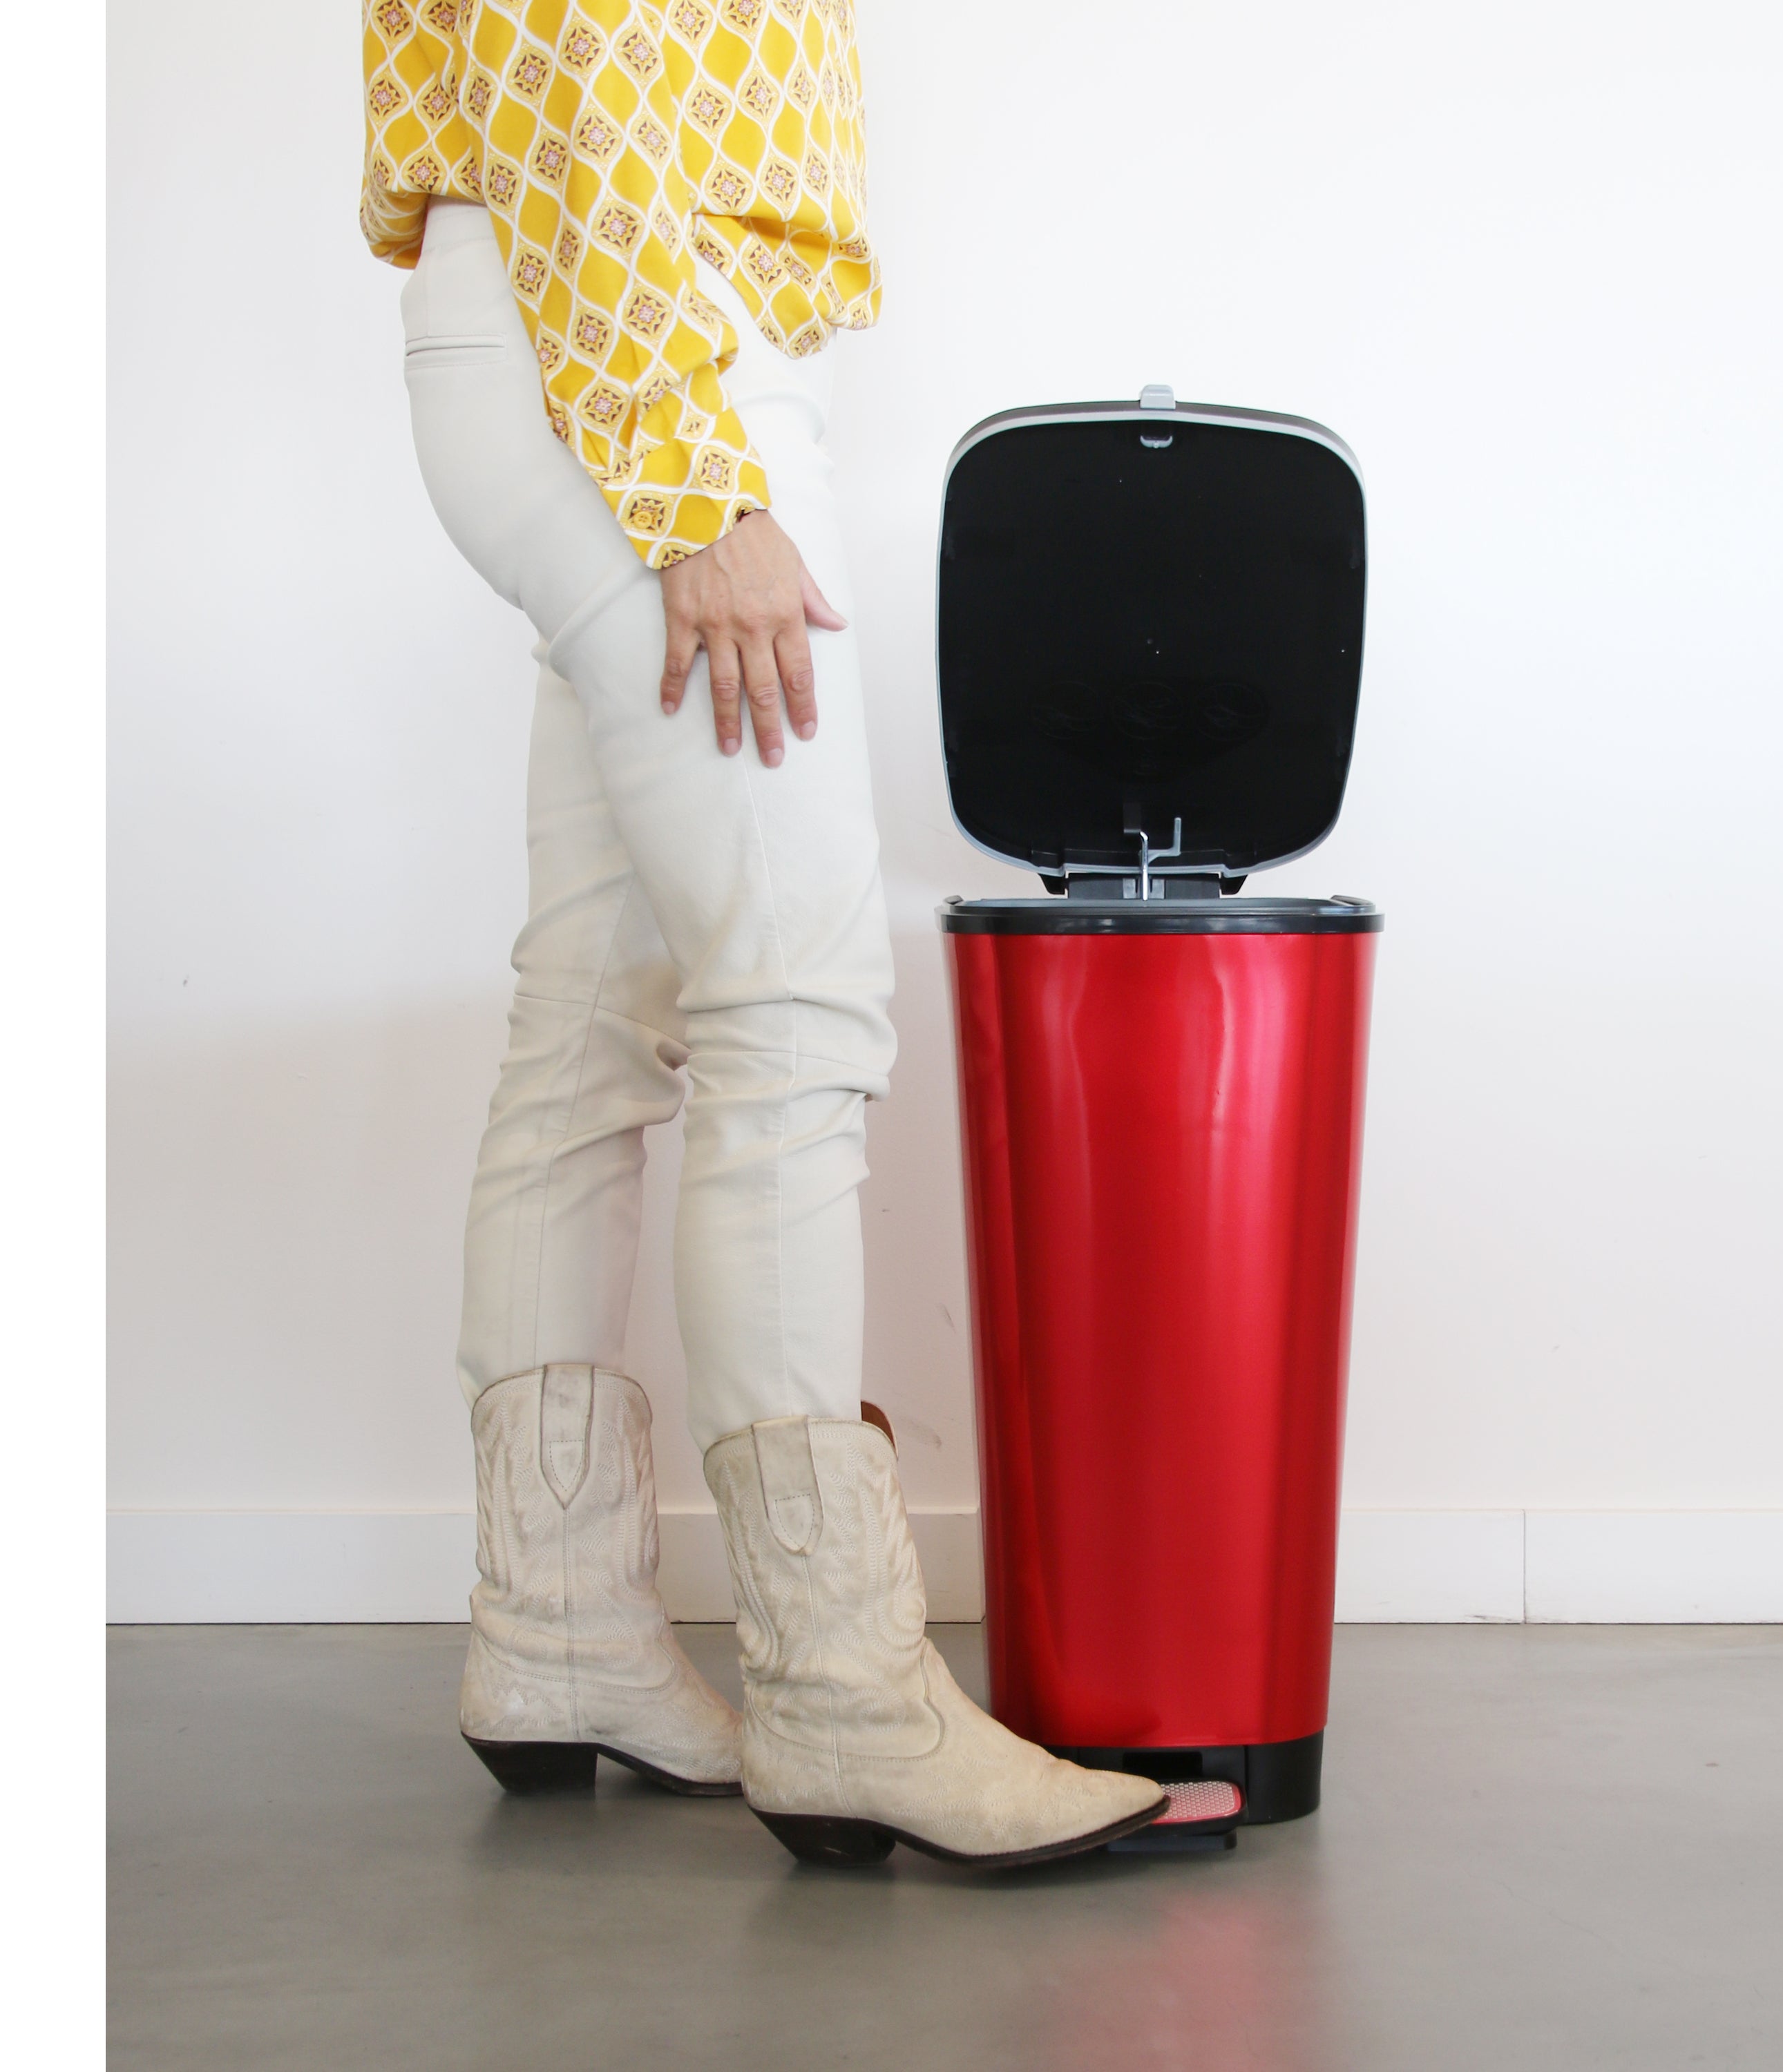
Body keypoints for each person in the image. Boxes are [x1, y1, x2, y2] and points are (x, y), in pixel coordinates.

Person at [361, 1, 1165, 1867]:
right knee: (791, 1009)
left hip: (562, 307)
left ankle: (558, 1632)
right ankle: (843, 1695)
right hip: (636, 324)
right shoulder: (656, 376)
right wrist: (691, 471)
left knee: (591, 1014)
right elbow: (578, 54)